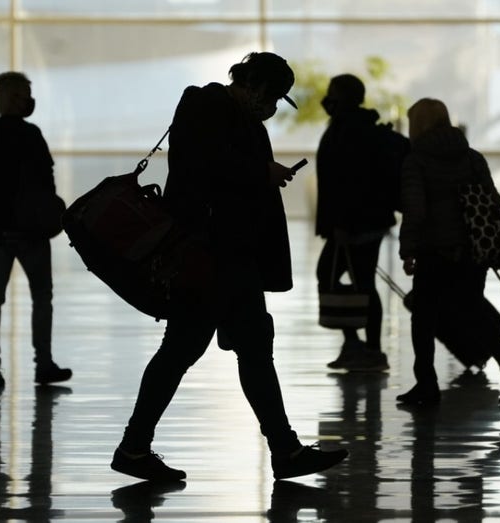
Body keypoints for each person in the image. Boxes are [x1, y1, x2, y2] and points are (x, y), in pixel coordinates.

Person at [111, 52, 348, 482]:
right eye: (272, 95)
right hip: (211, 254)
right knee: (197, 349)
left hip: (226, 255)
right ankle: (136, 447)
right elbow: (206, 164)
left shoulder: (226, 113)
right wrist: (263, 171)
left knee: (239, 346)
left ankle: (283, 449)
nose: (274, 106)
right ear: (252, 84)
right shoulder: (207, 106)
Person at [398, 98, 500, 406]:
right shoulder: (472, 157)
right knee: (472, 311)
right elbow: (495, 204)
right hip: (472, 251)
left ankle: (427, 383)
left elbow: (414, 211)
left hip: (434, 251)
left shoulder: (416, 161)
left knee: (424, 317)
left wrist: (408, 250)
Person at [0, 72, 72, 388]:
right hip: (31, 231)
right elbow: (46, 181)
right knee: (41, 296)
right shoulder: (31, 136)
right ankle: (43, 363)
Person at [315, 73, 407, 372]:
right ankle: (362, 346)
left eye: (332, 93)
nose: (327, 99)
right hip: (367, 220)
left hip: (356, 223)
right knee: (360, 280)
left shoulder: (350, 129)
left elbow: (349, 181)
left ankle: (366, 348)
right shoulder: (356, 125)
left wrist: (341, 223)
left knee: (356, 280)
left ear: (343, 97)